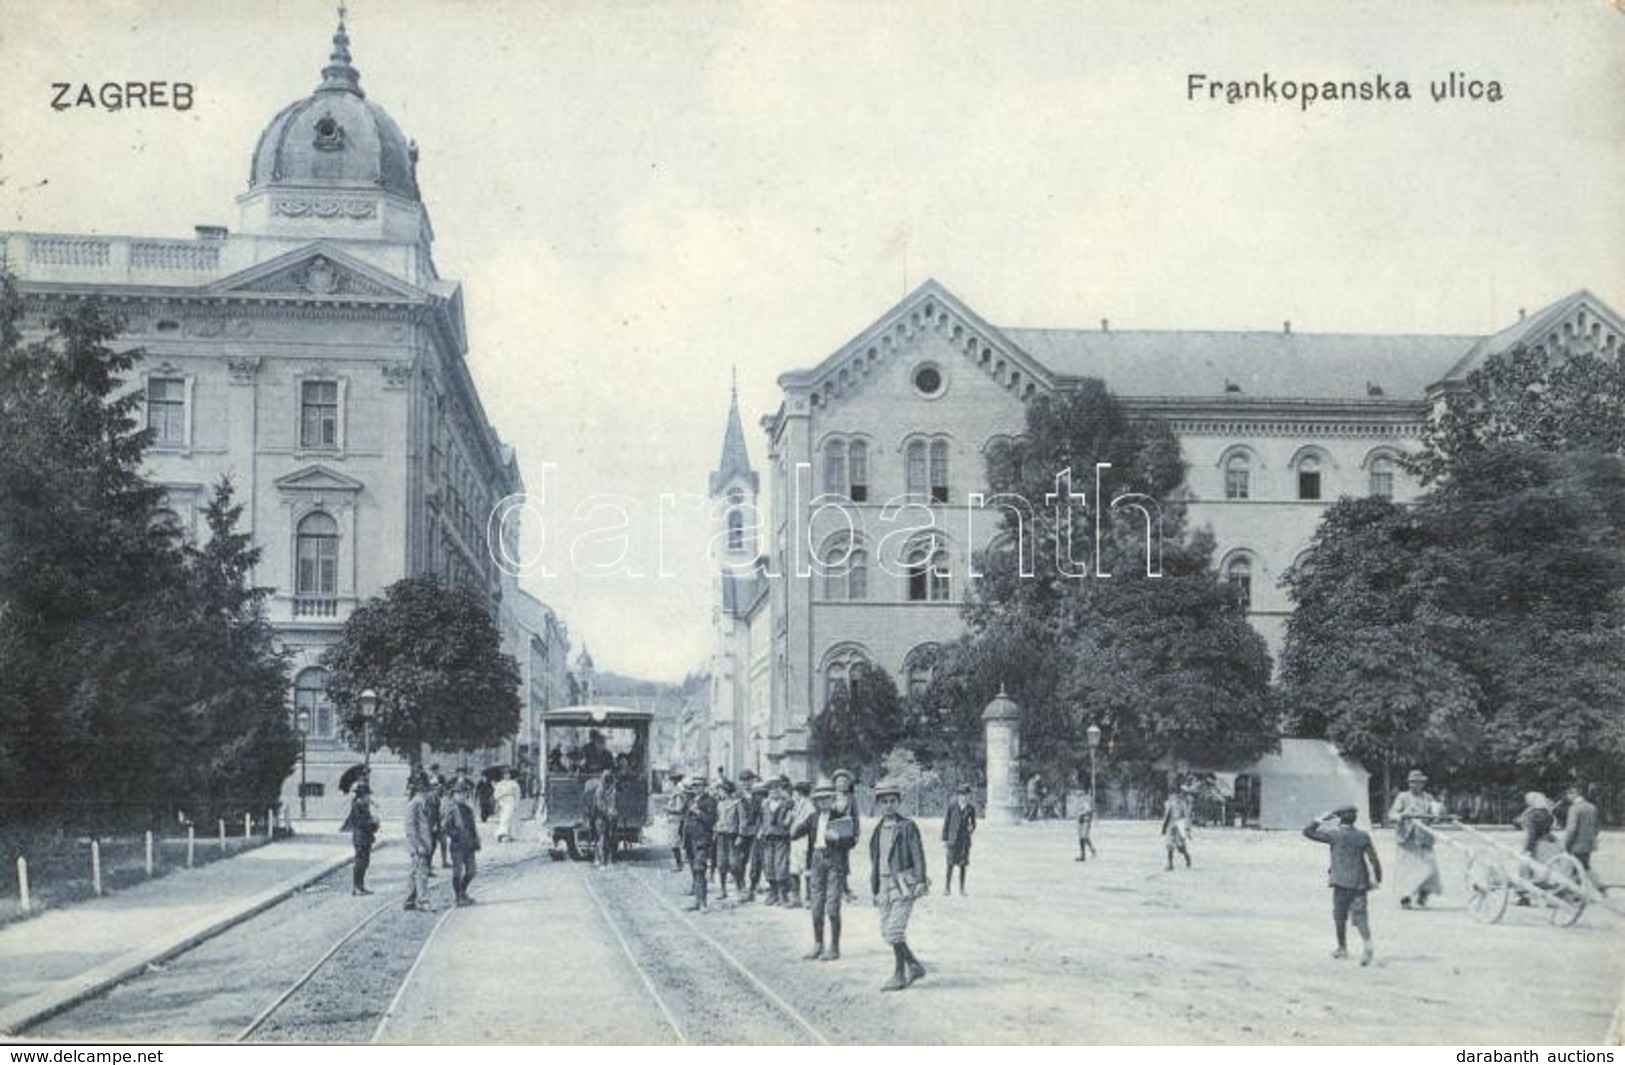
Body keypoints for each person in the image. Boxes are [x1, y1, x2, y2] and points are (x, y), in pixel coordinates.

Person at [870, 778, 930, 991]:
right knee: (887, 932)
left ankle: (899, 974)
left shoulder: (907, 826)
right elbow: (875, 861)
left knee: (895, 931)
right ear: (878, 804)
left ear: (898, 802)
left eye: (892, 800)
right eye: (884, 801)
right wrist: (875, 888)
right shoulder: (877, 830)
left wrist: (921, 880)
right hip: (884, 885)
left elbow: (918, 854)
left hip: (903, 883)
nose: (888, 805)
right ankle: (913, 965)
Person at [1303, 806, 1383, 965]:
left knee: (1340, 915)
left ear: (1340, 819)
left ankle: (1342, 947)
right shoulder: (1363, 835)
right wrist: (1377, 879)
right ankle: (1367, 943)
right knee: (1361, 915)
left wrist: (1321, 818)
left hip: (1340, 881)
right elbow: (1374, 859)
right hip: (1360, 881)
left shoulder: (1335, 835)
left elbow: (1308, 832)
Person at [794, 776, 858, 961]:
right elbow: (795, 833)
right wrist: (792, 825)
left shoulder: (841, 817)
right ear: (816, 801)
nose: (824, 802)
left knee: (832, 906)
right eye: (820, 799)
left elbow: (851, 840)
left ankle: (834, 947)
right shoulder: (812, 818)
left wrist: (838, 838)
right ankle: (818, 944)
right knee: (816, 905)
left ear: (833, 799)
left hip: (835, 862)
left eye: (828, 798)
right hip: (816, 861)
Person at [1387, 769, 1443, 908]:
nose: (1416, 785)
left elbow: (1434, 814)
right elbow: (1392, 814)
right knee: (1407, 870)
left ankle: (1424, 894)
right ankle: (1405, 898)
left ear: (1423, 784)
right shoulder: (1403, 797)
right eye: (1413, 782)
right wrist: (1402, 816)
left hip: (1424, 838)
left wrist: (1438, 815)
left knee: (1429, 868)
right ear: (1409, 784)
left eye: (1419, 782)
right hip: (1408, 839)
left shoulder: (1428, 798)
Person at [1513, 791, 1557, 906]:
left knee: (1525, 870)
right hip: (1546, 844)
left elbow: (1531, 833)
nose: (1526, 802)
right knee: (1544, 872)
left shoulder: (1532, 814)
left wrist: (1528, 849)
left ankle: (1523, 896)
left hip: (1535, 845)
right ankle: (1550, 895)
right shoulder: (1547, 813)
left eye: (1528, 799)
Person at [443, 778, 482, 906]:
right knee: (457, 872)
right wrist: (456, 835)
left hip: (469, 845)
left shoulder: (468, 809)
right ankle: (458, 896)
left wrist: (476, 840)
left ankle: (462, 892)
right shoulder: (451, 809)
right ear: (454, 795)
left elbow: (472, 827)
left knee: (471, 871)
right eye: (459, 793)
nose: (462, 796)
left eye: (464, 793)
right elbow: (445, 827)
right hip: (457, 845)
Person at [1562, 784, 1606, 895]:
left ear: (1574, 794)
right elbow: (1597, 827)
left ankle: (1576, 892)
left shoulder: (1574, 809)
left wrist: (1566, 844)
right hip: (1588, 844)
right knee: (1584, 866)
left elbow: (1571, 829)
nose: (1567, 797)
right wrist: (1591, 838)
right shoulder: (1592, 807)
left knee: (1577, 868)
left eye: (1568, 794)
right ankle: (1598, 886)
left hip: (1576, 845)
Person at [682, 776, 718, 912]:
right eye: (694, 786)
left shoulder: (710, 801)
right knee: (693, 870)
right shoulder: (690, 800)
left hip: (702, 839)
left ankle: (703, 902)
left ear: (704, 787)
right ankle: (697, 901)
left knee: (699, 869)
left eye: (699, 786)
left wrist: (698, 812)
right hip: (690, 840)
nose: (696, 789)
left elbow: (711, 820)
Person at [402, 773, 437, 912]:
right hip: (418, 846)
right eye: (424, 790)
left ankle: (409, 900)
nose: (427, 793)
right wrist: (419, 845)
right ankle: (422, 901)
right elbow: (410, 828)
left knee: (415, 872)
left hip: (424, 844)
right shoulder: (413, 804)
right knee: (422, 873)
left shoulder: (423, 803)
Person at [341, 781, 380, 895]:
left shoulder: (362, 805)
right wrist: (374, 823)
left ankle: (360, 886)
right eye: (367, 794)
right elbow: (362, 823)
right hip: (360, 838)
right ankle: (357, 887)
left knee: (364, 862)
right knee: (360, 862)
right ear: (362, 795)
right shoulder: (358, 806)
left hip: (364, 837)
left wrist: (373, 823)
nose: (369, 797)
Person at [762, 776, 796, 905]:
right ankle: (773, 892)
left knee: (780, 865)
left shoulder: (787, 804)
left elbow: (790, 819)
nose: (774, 792)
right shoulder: (765, 805)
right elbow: (763, 821)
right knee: (768, 865)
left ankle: (783, 893)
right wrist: (762, 831)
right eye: (771, 790)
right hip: (768, 838)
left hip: (781, 838)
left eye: (776, 789)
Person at [941, 783, 977, 895]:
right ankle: (947, 888)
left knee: (963, 865)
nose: (963, 797)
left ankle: (962, 889)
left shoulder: (971, 809)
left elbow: (974, 824)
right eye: (961, 795)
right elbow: (946, 822)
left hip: (964, 841)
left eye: (966, 795)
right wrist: (945, 839)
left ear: (969, 796)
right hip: (952, 840)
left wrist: (969, 832)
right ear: (958, 796)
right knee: (949, 864)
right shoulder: (952, 805)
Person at [786, 780, 815, 908]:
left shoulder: (809, 806)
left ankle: (808, 898)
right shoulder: (797, 805)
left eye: (795, 792)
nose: (794, 795)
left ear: (800, 793)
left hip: (804, 838)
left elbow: (808, 824)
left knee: (806, 868)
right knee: (794, 867)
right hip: (795, 839)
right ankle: (795, 897)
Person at [833, 769, 860, 903]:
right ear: (835, 783)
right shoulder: (831, 797)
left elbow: (855, 817)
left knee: (844, 861)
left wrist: (856, 835)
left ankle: (844, 888)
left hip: (846, 834)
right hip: (832, 834)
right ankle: (834, 889)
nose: (842, 784)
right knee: (833, 861)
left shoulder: (851, 798)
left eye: (845, 782)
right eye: (839, 781)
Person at [714, 779, 742, 901]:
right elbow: (718, 819)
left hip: (733, 836)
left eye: (721, 790)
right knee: (721, 863)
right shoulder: (720, 804)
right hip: (721, 836)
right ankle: (723, 889)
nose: (719, 793)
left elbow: (742, 821)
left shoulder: (737, 804)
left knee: (734, 864)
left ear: (727, 791)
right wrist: (716, 827)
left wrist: (740, 836)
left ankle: (738, 889)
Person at [1161, 781, 1194, 871]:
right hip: (1171, 824)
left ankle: (1186, 856)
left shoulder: (1183, 803)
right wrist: (1164, 827)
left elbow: (1187, 816)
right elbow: (1167, 815)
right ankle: (1170, 864)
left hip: (1180, 823)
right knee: (1169, 845)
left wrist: (1187, 829)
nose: (1175, 794)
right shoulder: (1170, 802)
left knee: (1180, 846)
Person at [592, 769, 619, 868]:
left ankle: (607, 860)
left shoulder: (613, 789)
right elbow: (599, 804)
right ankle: (600, 860)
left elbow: (614, 801)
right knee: (601, 838)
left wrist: (612, 811)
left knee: (610, 838)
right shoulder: (599, 790)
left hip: (609, 815)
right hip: (600, 816)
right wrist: (607, 811)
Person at [665, 772, 690, 872]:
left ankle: (679, 864)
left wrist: (668, 809)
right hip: (674, 821)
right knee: (673, 843)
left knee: (675, 843)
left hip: (677, 821)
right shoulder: (675, 793)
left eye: (669, 782)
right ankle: (679, 863)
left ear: (673, 783)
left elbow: (679, 808)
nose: (668, 784)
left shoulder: (678, 794)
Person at [493, 768, 521, 843]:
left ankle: (511, 834)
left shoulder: (513, 783)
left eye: (508, 774)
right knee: (504, 817)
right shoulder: (500, 784)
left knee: (510, 817)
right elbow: (496, 794)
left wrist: (516, 803)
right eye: (505, 774)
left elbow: (517, 794)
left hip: (511, 800)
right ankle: (502, 833)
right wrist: (498, 802)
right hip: (503, 801)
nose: (506, 775)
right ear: (502, 775)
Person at [1075, 792, 1098, 862]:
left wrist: (1091, 817)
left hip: (1086, 819)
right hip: (1081, 819)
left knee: (1083, 837)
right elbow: (1078, 810)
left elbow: (1091, 810)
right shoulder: (1079, 800)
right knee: (1082, 837)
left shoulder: (1088, 799)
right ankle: (1087, 852)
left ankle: (1084, 855)